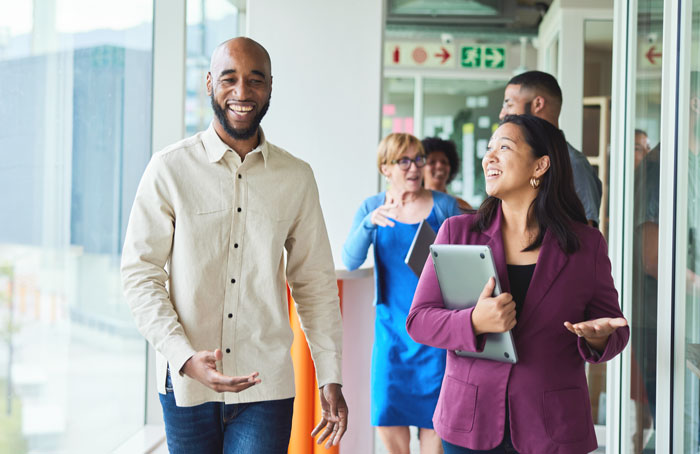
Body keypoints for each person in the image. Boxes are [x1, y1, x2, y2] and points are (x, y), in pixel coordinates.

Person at [120, 37, 347, 454]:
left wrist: (330, 375)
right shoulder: (168, 169)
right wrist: (182, 355)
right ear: (209, 83)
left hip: (266, 385)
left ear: (271, 87)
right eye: (229, 79)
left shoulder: (296, 177)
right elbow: (140, 274)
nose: (242, 92)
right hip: (186, 383)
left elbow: (314, 282)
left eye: (254, 80)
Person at [406, 114, 629, 453]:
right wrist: (474, 321)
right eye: (489, 148)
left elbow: (615, 326)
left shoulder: (586, 244)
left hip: (554, 427)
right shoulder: (457, 232)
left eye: (504, 147)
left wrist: (599, 339)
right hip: (470, 422)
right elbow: (419, 320)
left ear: (540, 166)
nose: (489, 157)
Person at [342, 133, 461, 454]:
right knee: (388, 419)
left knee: (434, 428)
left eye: (418, 159)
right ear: (386, 168)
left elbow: (465, 266)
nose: (414, 167)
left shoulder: (444, 206)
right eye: (403, 161)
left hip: (436, 337)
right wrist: (369, 224)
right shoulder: (372, 207)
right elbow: (350, 261)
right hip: (391, 334)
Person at [499, 70, 603, 227]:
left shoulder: (573, 164)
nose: (502, 114)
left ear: (538, 104)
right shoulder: (517, 160)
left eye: (509, 104)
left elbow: (585, 237)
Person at [421, 137, 473, 211]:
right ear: (420, 168)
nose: (439, 166)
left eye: (444, 162)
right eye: (432, 162)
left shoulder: (462, 206)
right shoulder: (412, 205)